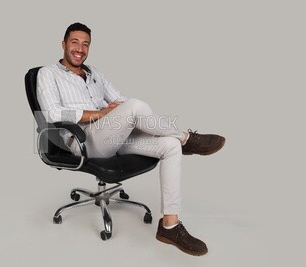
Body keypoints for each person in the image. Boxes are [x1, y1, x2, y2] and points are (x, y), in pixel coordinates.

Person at [37, 22, 225, 256]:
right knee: (137, 106)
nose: (80, 48)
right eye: (74, 42)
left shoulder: (94, 74)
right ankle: (187, 138)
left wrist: (120, 110)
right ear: (63, 44)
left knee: (170, 146)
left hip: (110, 135)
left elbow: (122, 101)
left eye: (86, 44)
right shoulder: (48, 74)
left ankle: (170, 226)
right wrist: (101, 113)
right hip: (83, 141)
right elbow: (52, 114)